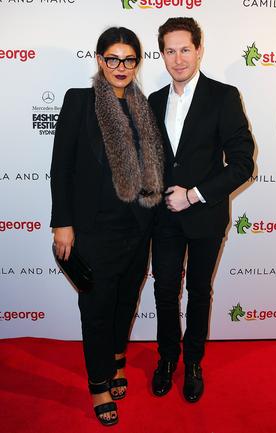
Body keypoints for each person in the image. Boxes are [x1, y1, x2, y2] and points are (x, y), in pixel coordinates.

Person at [50, 26, 163, 426]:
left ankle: (117, 358)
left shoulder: (144, 107)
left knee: (126, 301)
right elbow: (61, 167)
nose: (120, 66)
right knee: (97, 308)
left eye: (129, 59)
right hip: (93, 230)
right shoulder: (79, 102)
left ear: (137, 63)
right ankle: (99, 384)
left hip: (137, 227)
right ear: (99, 60)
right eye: (112, 58)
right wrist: (61, 223)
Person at [149, 17, 254, 403]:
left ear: (199, 49)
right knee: (163, 292)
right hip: (163, 218)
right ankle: (166, 360)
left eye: (185, 49)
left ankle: (193, 362)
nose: (178, 59)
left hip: (205, 216)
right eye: (170, 51)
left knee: (197, 291)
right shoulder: (154, 101)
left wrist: (193, 195)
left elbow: (243, 164)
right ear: (161, 54)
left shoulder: (223, 96)